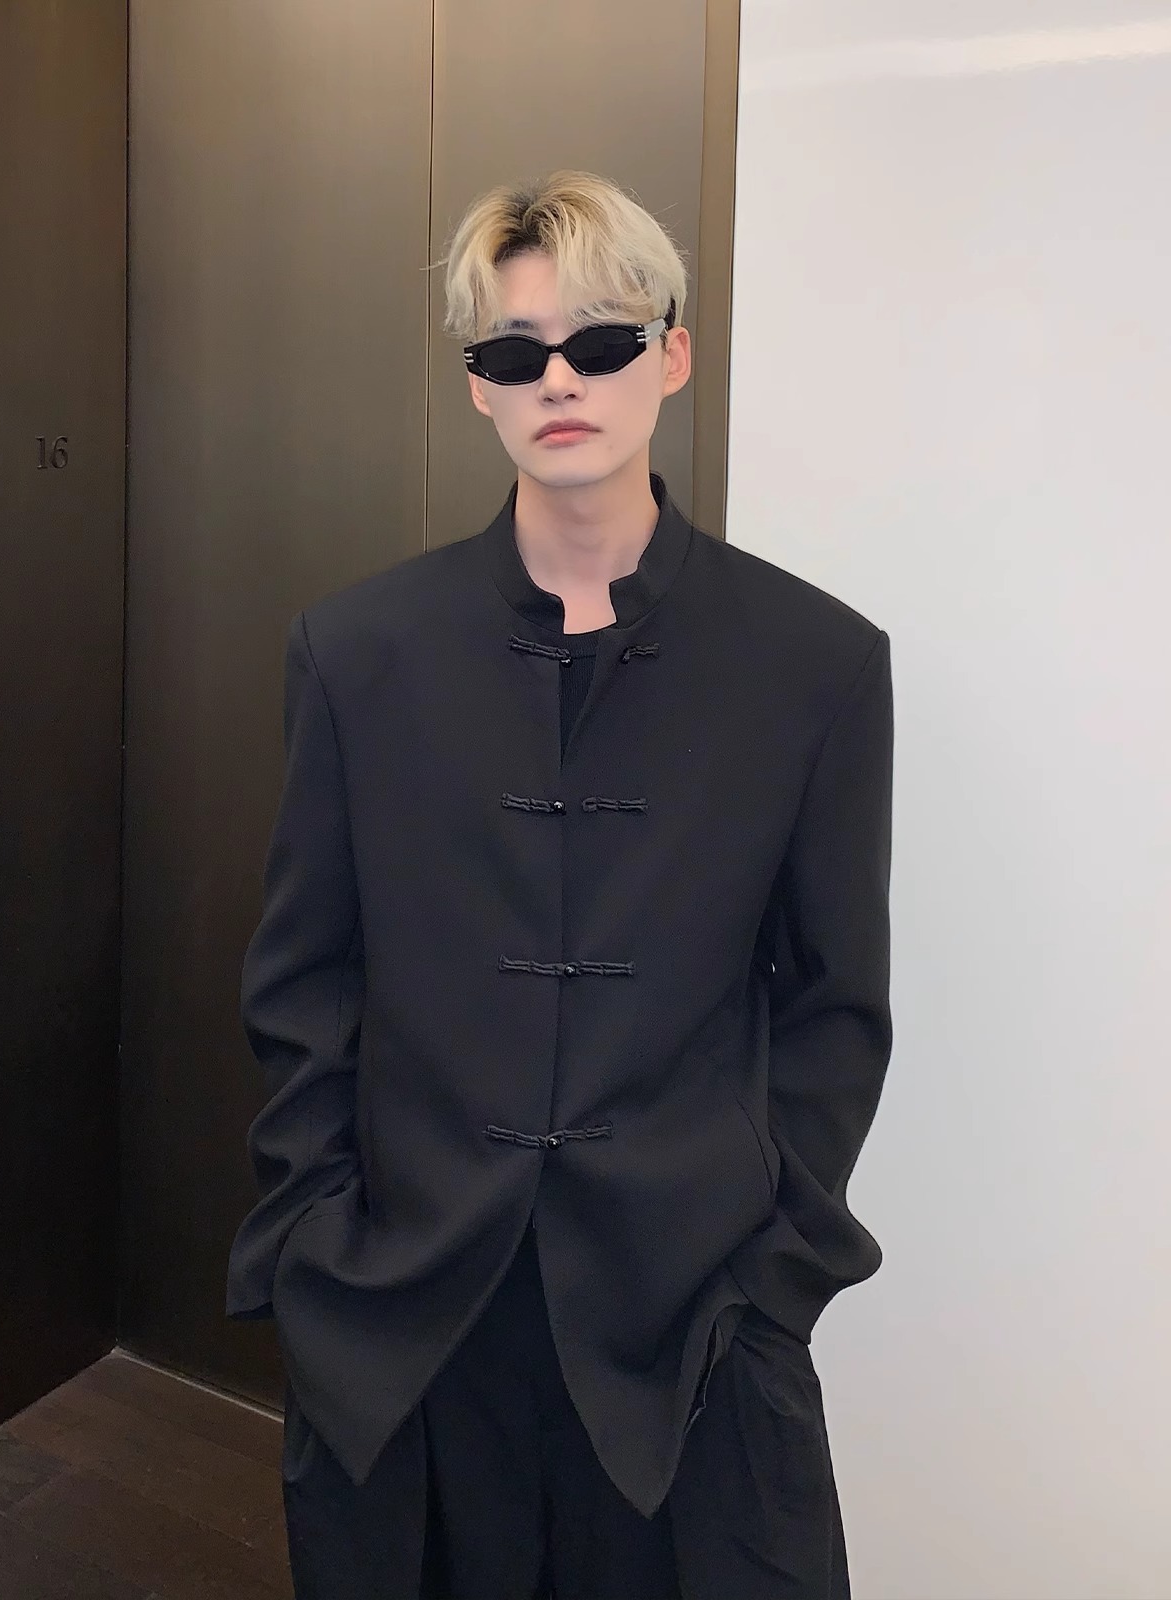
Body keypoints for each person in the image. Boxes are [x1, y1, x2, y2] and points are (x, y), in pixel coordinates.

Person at [225, 169, 894, 1599]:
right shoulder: (358, 653)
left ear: (673, 355)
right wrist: (312, 1235)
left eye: (599, 340)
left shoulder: (817, 664)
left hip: (690, 1317)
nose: (560, 380)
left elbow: (837, 1005)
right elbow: (303, 981)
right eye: (515, 351)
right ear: (480, 387)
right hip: (408, 1307)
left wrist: (772, 1279)